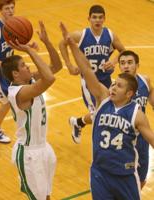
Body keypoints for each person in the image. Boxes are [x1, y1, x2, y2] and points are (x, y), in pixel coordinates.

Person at [60, 22, 154, 200]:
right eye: (113, 83)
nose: (112, 87)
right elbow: (87, 70)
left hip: (125, 174)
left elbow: (151, 138)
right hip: (100, 172)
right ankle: (78, 122)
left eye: (118, 86)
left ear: (129, 94)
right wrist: (72, 45)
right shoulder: (103, 98)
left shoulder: (136, 113)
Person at [1, 21, 62, 200]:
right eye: (24, 66)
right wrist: (29, 50)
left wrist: (47, 42)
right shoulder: (20, 93)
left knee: (46, 196)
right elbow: (50, 78)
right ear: (15, 74)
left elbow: (56, 67)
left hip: (43, 147)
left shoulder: (29, 81)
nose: (28, 67)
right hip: (28, 154)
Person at [59, 4, 125, 144]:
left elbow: (123, 51)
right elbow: (61, 43)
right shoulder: (82, 35)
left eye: (100, 17)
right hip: (89, 83)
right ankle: (101, 148)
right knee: (100, 115)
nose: (97, 20)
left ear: (104, 19)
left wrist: (113, 61)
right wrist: (69, 65)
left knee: (106, 113)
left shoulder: (110, 35)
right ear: (89, 18)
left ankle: (77, 122)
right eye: (94, 17)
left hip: (106, 80)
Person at [118, 50, 154, 188]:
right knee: (124, 181)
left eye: (129, 62)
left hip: (143, 138)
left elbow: (150, 90)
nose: (126, 66)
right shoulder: (116, 88)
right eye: (122, 63)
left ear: (137, 65)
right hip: (125, 140)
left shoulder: (145, 80)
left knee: (142, 179)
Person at [0, 0, 15, 143]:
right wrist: (2, 64)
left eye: (12, 8)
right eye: (7, 8)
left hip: (5, 70)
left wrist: (29, 45)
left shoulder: (14, 26)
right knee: (7, 101)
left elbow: (14, 45)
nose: (10, 10)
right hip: (0, 71)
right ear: (0, 10)